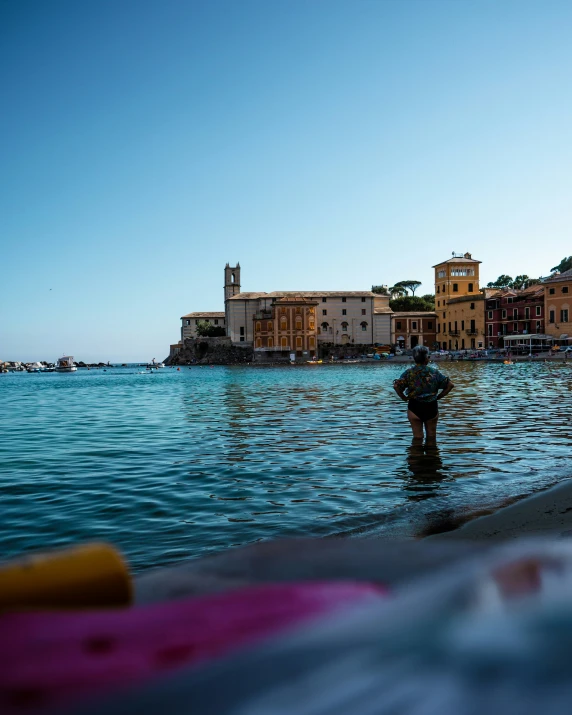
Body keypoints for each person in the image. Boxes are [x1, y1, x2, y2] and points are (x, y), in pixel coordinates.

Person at [393, 345, 454, 443]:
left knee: (417, 438)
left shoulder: (409, 373)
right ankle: (432, 456)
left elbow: (396, 386)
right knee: (431, 437)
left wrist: (403, 397)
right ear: (426, 358)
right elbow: (450, 385)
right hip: (431, 406)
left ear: (415, 358)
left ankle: (416, 456)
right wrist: (439, 397)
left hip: (414, 407)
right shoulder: (434, 372)